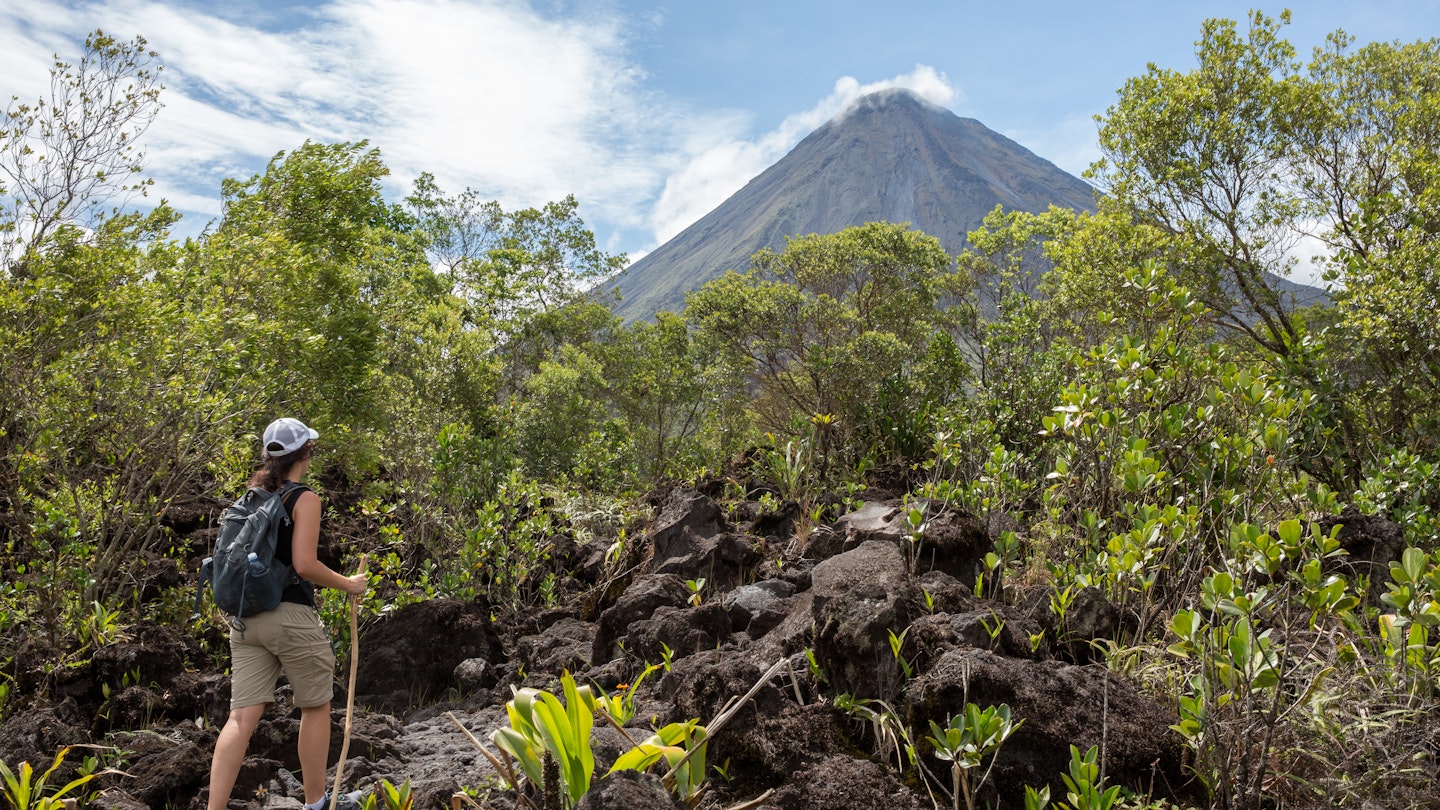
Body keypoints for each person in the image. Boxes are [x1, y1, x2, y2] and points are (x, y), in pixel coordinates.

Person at [206, 417, 368, 810]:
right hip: (289, 616)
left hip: (246, 620)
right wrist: (348, 584)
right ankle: (316, 803)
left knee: (240, 718)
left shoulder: (251, 496)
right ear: (306, 453)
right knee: (315, 705)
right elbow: (304, 564)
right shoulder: (304, 498)